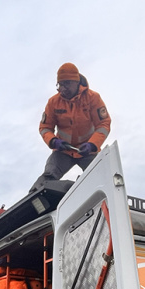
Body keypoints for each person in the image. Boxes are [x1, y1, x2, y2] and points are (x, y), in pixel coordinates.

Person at [30, 62, 111, 192]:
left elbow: (104, 124)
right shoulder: (53, 102)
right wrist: (53, 141)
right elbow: (45, 127)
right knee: (48, 177)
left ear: (76, 82)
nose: (62, 88)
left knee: (100, 177)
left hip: (88, 150)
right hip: (63, 151)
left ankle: (93, 197)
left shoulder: (93, 98)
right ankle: (34, 198)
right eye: (60, 84)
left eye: (66, 84)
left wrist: (92, 145)